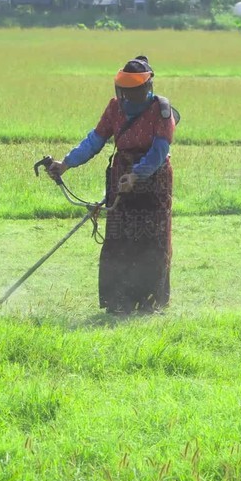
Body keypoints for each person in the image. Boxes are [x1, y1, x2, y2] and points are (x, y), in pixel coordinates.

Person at [46, 55, 176, 315]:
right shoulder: (114, 108)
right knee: (118, 239)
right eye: (124, 93)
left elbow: (160, 151)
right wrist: (66, 164)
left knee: (151, 240)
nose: (127, 99)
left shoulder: (161, 110)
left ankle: (149, 303)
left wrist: (137, 175)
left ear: (146, 89)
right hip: (120, 177)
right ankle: (118, 302)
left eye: (134, 93)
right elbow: (94, 141)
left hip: (154, 183)